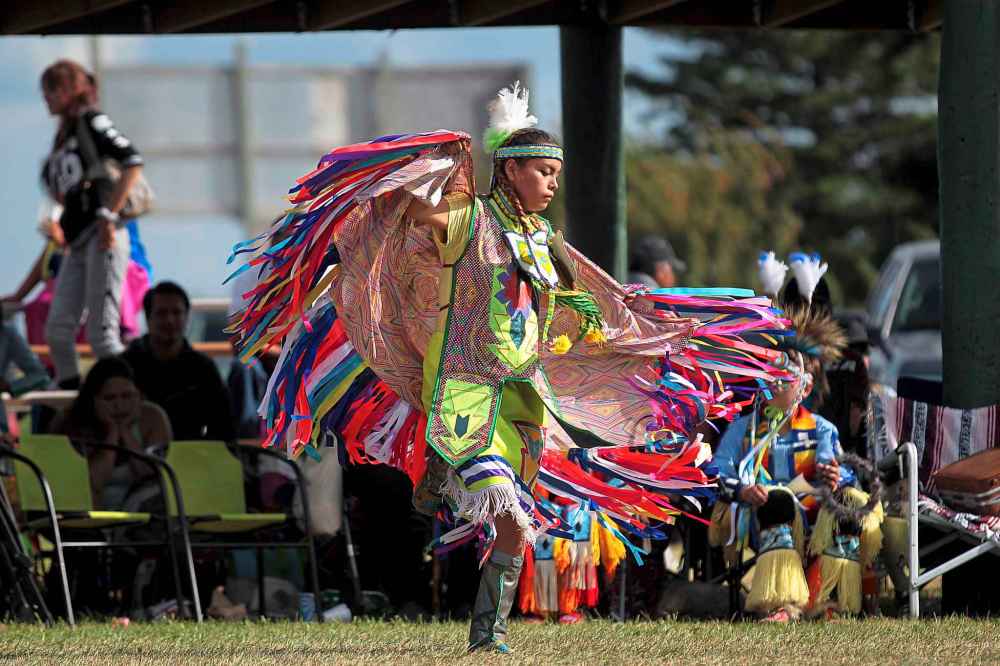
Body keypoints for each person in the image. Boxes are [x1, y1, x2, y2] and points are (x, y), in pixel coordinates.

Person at [230, 83, 788, 651]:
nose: (552, 183)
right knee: (510, 515)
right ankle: (443, 468)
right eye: (542, 170)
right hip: (464, 391)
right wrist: (430, 163)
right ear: (510, 169)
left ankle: (483, 630)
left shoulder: (544, 237)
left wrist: (622, 325)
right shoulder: (468, 219)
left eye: (554, 171)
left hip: (521, 398)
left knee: (516, 528)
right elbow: (410, 212)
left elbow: (588, 293)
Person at [38, 59, 145, 389]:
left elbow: (132, 159)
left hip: (103, 237)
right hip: (79, 241)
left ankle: (133, 398)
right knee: (57, 330)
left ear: (70, 90)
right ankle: (72, 391)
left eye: (52, 91)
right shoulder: (65, 134)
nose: (47, 99)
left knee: (103, 335)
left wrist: (108, 215)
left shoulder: (91, 121)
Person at [2, 204, 152, 348]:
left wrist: (62, 241)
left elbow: (105, 244)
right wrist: (19, 295)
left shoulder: (106, 199)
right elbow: (51, 252)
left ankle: (123, 338)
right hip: (81, 271)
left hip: (121, 269)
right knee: (40, 305)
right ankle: (49, 364)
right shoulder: (69, 201)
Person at [121, 281, 235, 442]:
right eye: (161, 313)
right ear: (147, 319)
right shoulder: (125, 367)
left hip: (190, 457)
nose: (169, 320)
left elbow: (224, 427)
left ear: (187, 318)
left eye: (176, 313)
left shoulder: (203, 368)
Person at [52, 356, 170, 509]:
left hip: (140, 508)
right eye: (109, 398)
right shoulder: (70, 422)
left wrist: (126, 432)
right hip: (88, 508)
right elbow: (94, 482)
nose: (119, 405)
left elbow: (150, 474)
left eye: (127, 396)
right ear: (93, 400)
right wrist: (112, 432)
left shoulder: (152, 417)